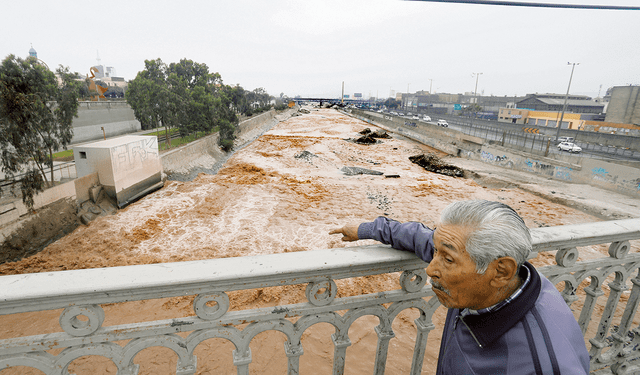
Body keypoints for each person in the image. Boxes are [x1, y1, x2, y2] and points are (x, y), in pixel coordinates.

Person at [329, 199, 589, 375]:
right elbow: (422, 237)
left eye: (447, 259)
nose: (431, 268)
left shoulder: (542, 365)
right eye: (436, 252)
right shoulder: (499, 281)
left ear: (501, 271)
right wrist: (367, 229)